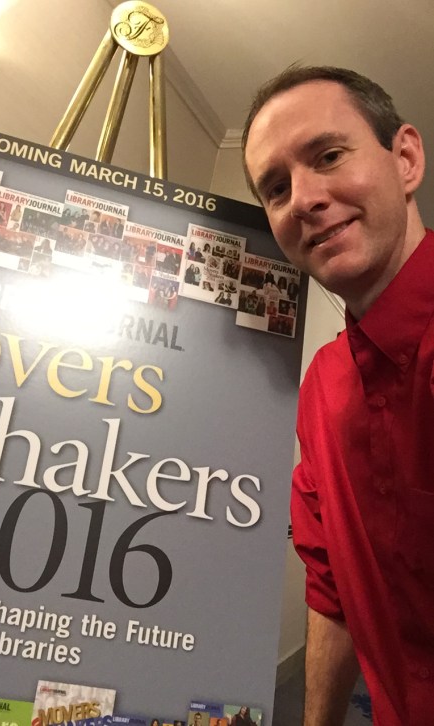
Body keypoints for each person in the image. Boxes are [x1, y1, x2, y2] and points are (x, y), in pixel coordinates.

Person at [243, 64, 433, 726]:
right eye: (276, 188)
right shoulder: (322, 385)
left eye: (327, 156)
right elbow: (330, 589)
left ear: (405, 159)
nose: (302, 198)